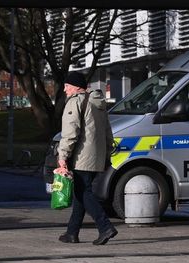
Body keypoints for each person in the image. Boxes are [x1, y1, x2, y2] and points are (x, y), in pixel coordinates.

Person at [55, 71, 116, 245]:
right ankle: (71, 233)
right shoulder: (98, 103)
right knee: (80, 193)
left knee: (84, 192)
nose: (65, 90)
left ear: (75, 87)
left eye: (67, 86)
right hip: (96, 155)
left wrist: (62, 157)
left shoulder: (76, 101)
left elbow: (70, 133)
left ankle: (105, 227)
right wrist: (107, 153)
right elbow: (107, 132)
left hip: (82, 155)